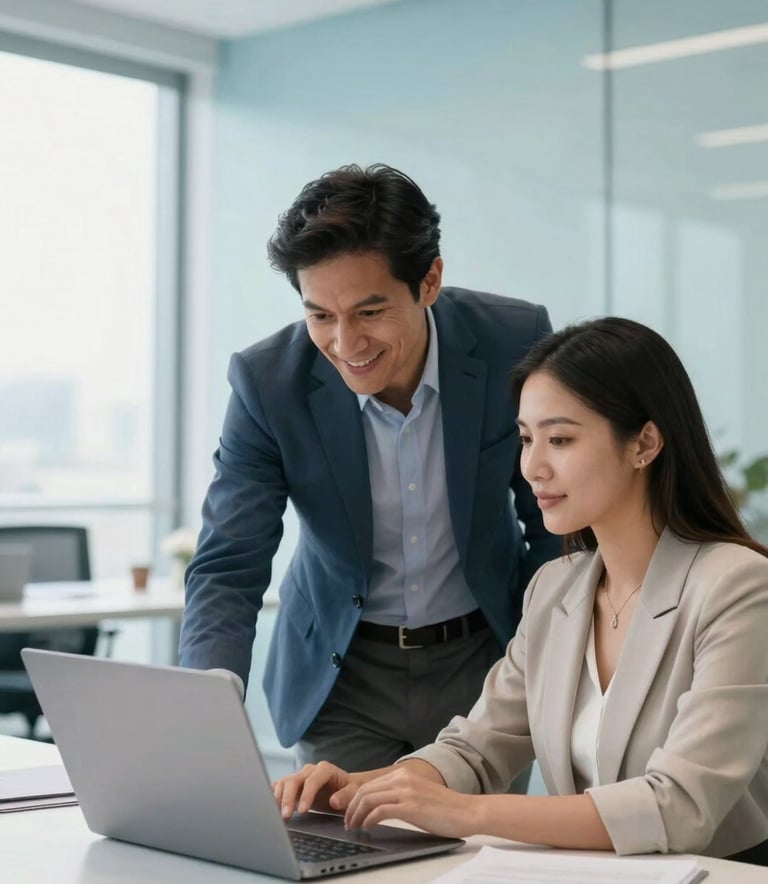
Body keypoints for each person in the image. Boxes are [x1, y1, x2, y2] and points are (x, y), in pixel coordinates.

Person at [274, 317, 768, 864]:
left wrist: (463, 813)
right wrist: (362, 788)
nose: (532, 467)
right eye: (527, 439)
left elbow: (680, 805)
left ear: (644, 443)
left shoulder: (737, 587)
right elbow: (476, 747)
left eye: (560, 439)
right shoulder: (555, 589)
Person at [179, 163, 560, 771]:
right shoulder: (268, 383)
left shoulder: (512, 341)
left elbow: (552, 520)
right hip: (342, 674)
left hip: (481, 660)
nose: (346, 345)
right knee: (342, 857)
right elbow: (230, 561)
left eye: (370, 312)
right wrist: (205, 702)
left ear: (429, 280)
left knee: (473, 861)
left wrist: (548, 652)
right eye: (321, 316)